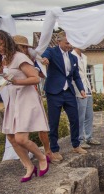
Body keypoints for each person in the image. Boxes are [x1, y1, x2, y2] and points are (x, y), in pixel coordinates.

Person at [0, 30, 49, 182]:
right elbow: (0, 72)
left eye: (0, 44)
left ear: (7, 42)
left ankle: (41, 158)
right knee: (11, 137)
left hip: (26, 99)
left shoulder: (20, 57)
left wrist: (15, 81)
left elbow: (35, 78)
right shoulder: (5, 59)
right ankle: (28, 166)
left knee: (21, 138)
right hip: (13, 100)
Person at [41, 31, 87, 160]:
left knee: (75, 118)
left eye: (71, 43)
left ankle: (76, 144)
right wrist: (44, 60)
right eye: (67, 43)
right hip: (54, 92)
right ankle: (54, 149)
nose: (69, 45)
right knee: (54, 121)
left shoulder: (73, 57)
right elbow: (45, 56)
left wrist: (82, 89)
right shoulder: (52, 52)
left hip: (69, 92)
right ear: (59, 41)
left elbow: (76, 76)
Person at [12, 34, 51, 157]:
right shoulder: (10, 60)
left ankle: (47, 151)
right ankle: (28, 152)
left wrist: (43, 66)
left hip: (32, 94)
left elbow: (43, 76)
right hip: (17, 96)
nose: (23, 50)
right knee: (23, 126)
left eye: (24, 47)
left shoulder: (32, 60)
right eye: (20, 47)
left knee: (42, 126)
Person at [72, 47, 100, 149]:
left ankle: (88, 137)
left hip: (87, 87)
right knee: (81, 116)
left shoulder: (84, 57)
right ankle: (80, 139)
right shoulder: (72, 56)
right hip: (78, 90)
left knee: (89, 115)